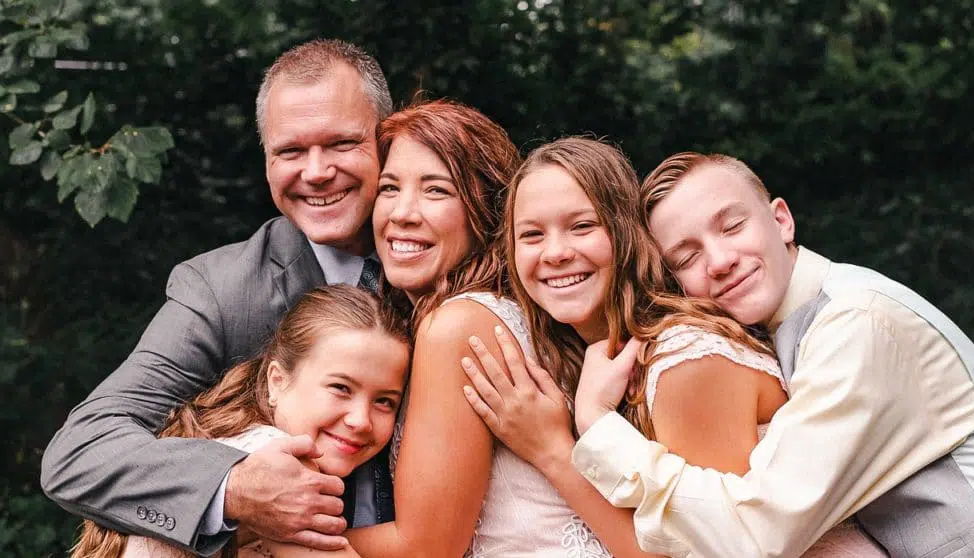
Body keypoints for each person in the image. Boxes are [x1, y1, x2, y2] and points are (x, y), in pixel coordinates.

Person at [565, 152, 974, 556]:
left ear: (781, 220)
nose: (720, 260)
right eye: (686, 257)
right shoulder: (773, 332)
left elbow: (757, 539)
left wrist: (597, 424)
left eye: (732, 226)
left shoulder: (856, 322)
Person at [41, 39, 394, 556]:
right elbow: (80, 452)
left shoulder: (459, 258)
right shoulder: (223, 288)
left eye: (341, 143)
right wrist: (233, 489)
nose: (316, 171)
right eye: (290, 151)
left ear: (387, 138)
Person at [460, 137, 887, 557]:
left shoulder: (686, 358)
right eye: (531, 235)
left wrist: (553, 451)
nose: (554, 252)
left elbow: (716, 553)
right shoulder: (601, 362)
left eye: (582, 226)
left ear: (629, 235)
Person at [267, 99, 652, 558]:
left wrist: (264, 540)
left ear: (485, 212)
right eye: (390, 188)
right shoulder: (494, 311)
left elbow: (426, 549)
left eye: (436, 191)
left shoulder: (458, 325)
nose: (404, 213)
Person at [70, 285, 410, 558]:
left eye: (384, 401)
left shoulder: (231, 433)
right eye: (340, 388)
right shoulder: (281, 463)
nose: (361, 420)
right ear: (277, 380)